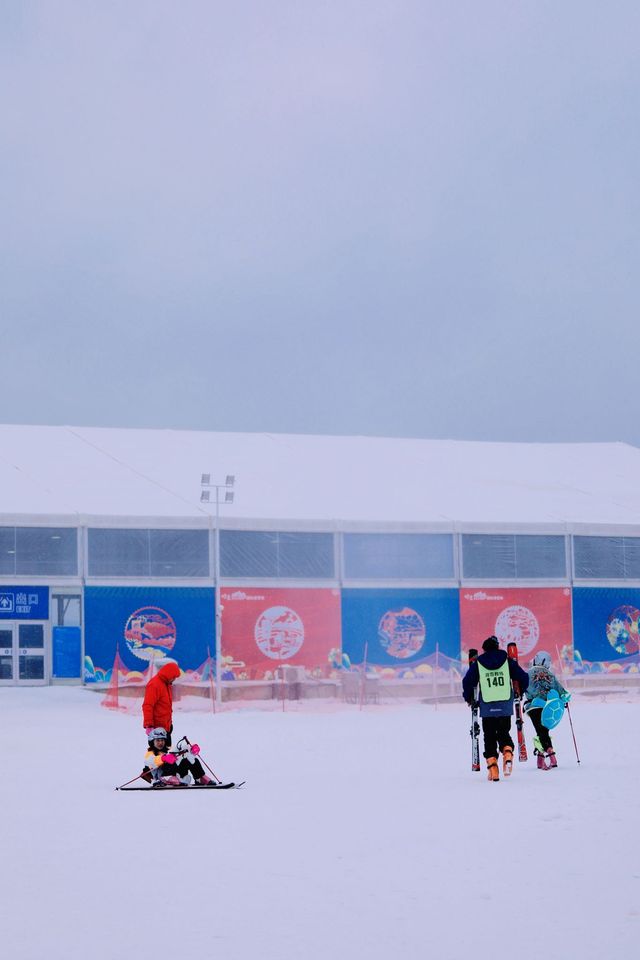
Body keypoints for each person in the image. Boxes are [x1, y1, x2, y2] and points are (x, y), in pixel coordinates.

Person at [462, 635, 530, 781]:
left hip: (487, 707)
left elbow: (467, 682)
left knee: (489, 737)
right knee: (504, 732)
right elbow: (524, 677)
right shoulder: (507, 661)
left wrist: (469, 698)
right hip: (505, 704)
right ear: (497, 647)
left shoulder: (478, 663)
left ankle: (493, 769)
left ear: (484, 649)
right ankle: (507, 753)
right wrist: (520, 691)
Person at [524, 651, 570, 769]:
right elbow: (561, 691)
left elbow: (520, 688)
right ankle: (541, 759)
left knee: (540, 731)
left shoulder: (527, 674)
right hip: (547, 707)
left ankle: (551, 755)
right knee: (542, 731)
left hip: (533, 707)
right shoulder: (550, 675)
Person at [141, 728, 214, 786]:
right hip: (161, 776)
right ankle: (167, 777)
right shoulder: (150, 753)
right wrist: (163, 758)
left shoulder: (168, 749)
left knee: (190, 760)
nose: (160, 743)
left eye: (162, 740)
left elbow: (179, 749)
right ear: (152, 742)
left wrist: (191, 750)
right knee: (168, 761)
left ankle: (199, 778)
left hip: (176, 774)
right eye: (158, 741)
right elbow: (150, 761)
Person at [142, 661, 181, 747]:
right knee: (158, 758)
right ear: (169, 674)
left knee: (169, 757)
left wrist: (169, 724)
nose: (174, 679)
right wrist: (149, 725)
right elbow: (147, 705)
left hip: (166, 728)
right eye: (174, 677)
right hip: (157, 731)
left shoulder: (166, 684)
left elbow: (164, 706)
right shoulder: (154, 685)